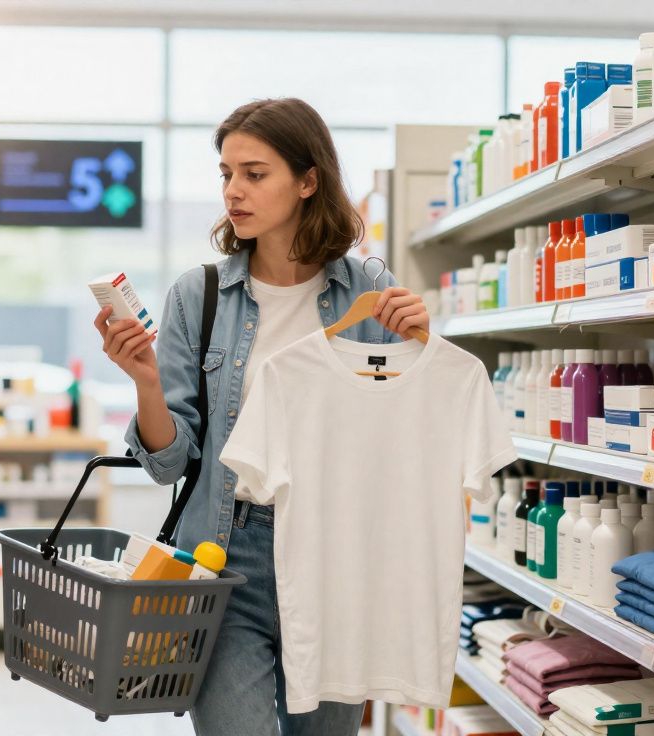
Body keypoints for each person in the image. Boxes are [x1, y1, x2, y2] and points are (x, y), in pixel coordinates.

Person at [94, 98, 430, 736]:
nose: (233, 192)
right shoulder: (200, 296)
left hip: (335, 559)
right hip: (223, 558)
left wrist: (421, 341)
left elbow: (401, 434)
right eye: (226, 174)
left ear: (308, 181)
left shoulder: (368, 289)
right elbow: (169, 463)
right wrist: (145, 384)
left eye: (254, 173)